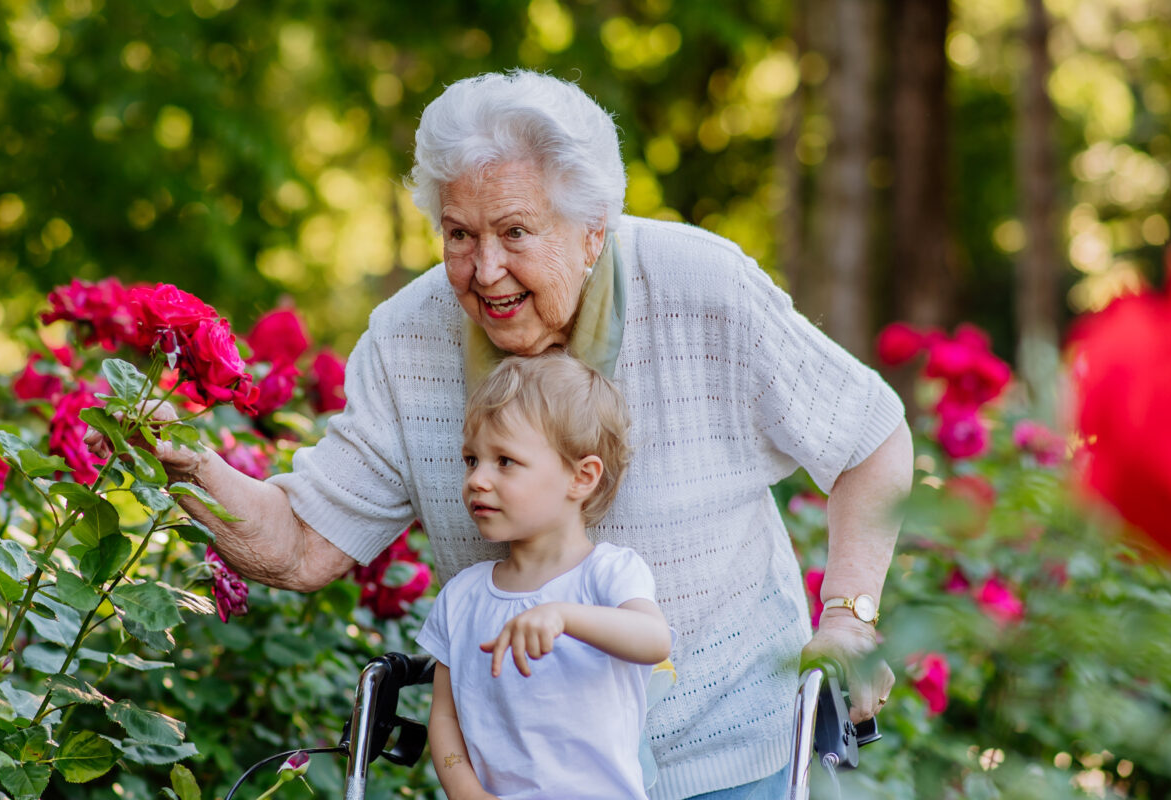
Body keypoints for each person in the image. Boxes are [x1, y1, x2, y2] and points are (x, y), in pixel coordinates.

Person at [91, 70, 912, 799]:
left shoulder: (702, 286)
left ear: (594, 230)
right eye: (459, 234)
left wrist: (846, 616)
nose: (484, 271)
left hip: (733, 755)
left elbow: (871, 441)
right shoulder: (409, 339)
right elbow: (303, 544)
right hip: (526, 780)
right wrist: (180, 459)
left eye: (516, 233)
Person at [418, 352, 671, 800]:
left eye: (505, 461)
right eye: (471, 459)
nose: (477, 479)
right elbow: (445, 717)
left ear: (581, 477)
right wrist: (467, 792)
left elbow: (654, 639)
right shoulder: (462, 597)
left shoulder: (607, 573)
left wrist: (564, 616)